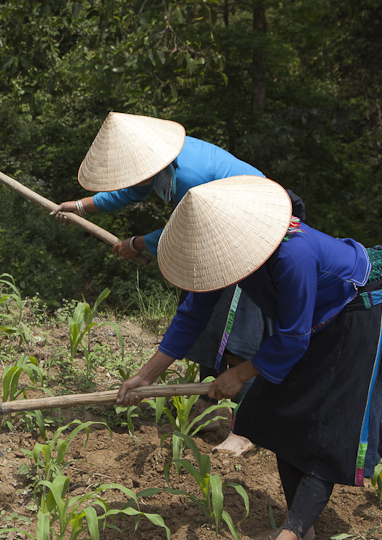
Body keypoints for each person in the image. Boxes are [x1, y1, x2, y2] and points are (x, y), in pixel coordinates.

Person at [115, 175, 382, 540]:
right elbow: (192, 316)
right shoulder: (226, 256)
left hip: (361, 312)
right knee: (270, 414)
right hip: (309, 325)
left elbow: (292, 337)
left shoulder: (294, 253)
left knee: (325, 429)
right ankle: (302, 529)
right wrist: (145, 376)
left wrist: (241, 373)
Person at [52, 112, 293, 455]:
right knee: (208, 325)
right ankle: (211, 407)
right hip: (216, 237)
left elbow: (183, 230)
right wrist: (79, 206)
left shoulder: (189, 175)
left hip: (247, 236)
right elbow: (128, 193)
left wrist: (136, 244)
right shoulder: (159, 164)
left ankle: (245, 429)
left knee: (239, 334)